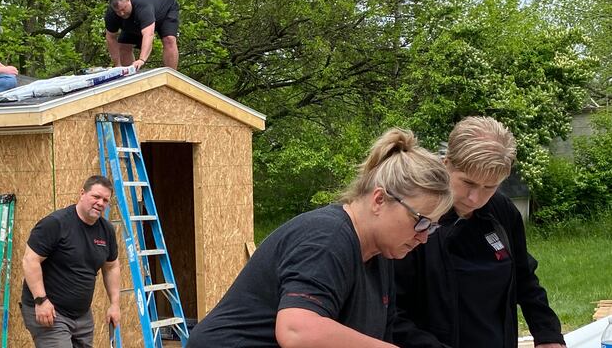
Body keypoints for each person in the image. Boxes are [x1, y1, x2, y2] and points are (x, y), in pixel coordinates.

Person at [187, 128, 453, 348]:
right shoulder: (328, 237)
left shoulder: (381, 257)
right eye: (420, 221)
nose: (423, 237)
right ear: (380, 200)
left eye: (431, 228)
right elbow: (296, 329)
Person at [392, 116, 566, 348]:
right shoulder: (415, 217)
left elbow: (524, 278)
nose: (475, 199)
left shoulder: (502, 212)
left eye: (490, 187)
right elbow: (391, 312)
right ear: (446, 164)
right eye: (468, 183)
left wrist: (548, 333)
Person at [20, 175, 121, 348]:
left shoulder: (106, 230)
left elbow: (111, 267)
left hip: (82, 317)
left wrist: (115, 304)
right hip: (50, 312)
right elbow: (30, 260)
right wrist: (41, 300)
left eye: (105, 200)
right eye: (96, 197)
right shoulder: (56, 224)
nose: (100, 203)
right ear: (82, 193)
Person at [104, 0, 180, 70]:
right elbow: (110, 38)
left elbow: (148, 34)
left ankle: (171, 77)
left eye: (123, 9)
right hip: (136, 19)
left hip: (165, 8)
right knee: (123, 46)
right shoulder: (111, 14)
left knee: (169, 39)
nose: (121, 13)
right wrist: (117, 65)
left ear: (128, 0)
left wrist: (141, 59)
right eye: (118, 12)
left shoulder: (142, 6)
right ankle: (131, 76)